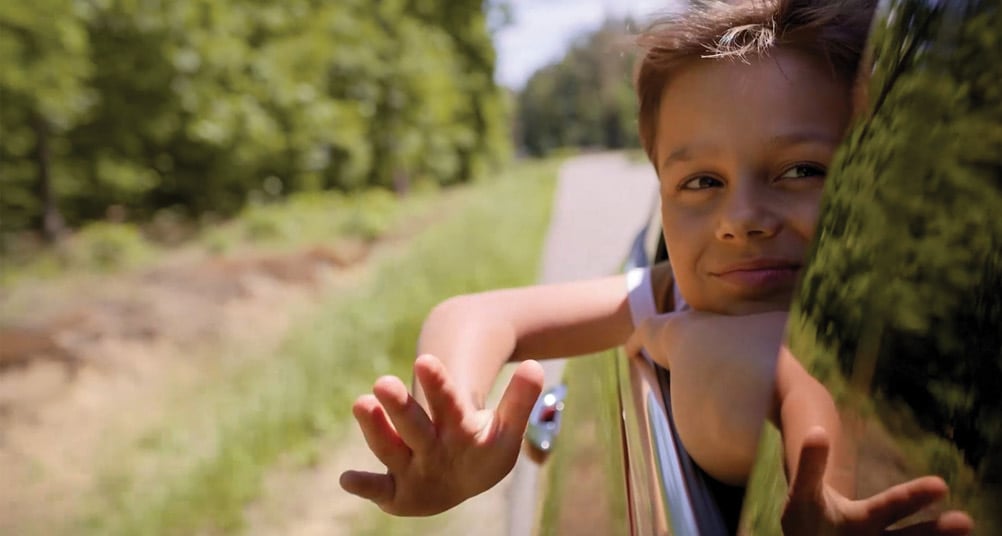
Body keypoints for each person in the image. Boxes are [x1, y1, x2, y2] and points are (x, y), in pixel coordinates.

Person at [340, 0, 975, 533]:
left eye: (802, 169)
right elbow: (475, 314)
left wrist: (677, 337)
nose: (742, 218)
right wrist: (457, 426)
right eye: (702, 181)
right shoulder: (669, 289)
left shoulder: (906, 314)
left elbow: (777, 372)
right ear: (662, 191)